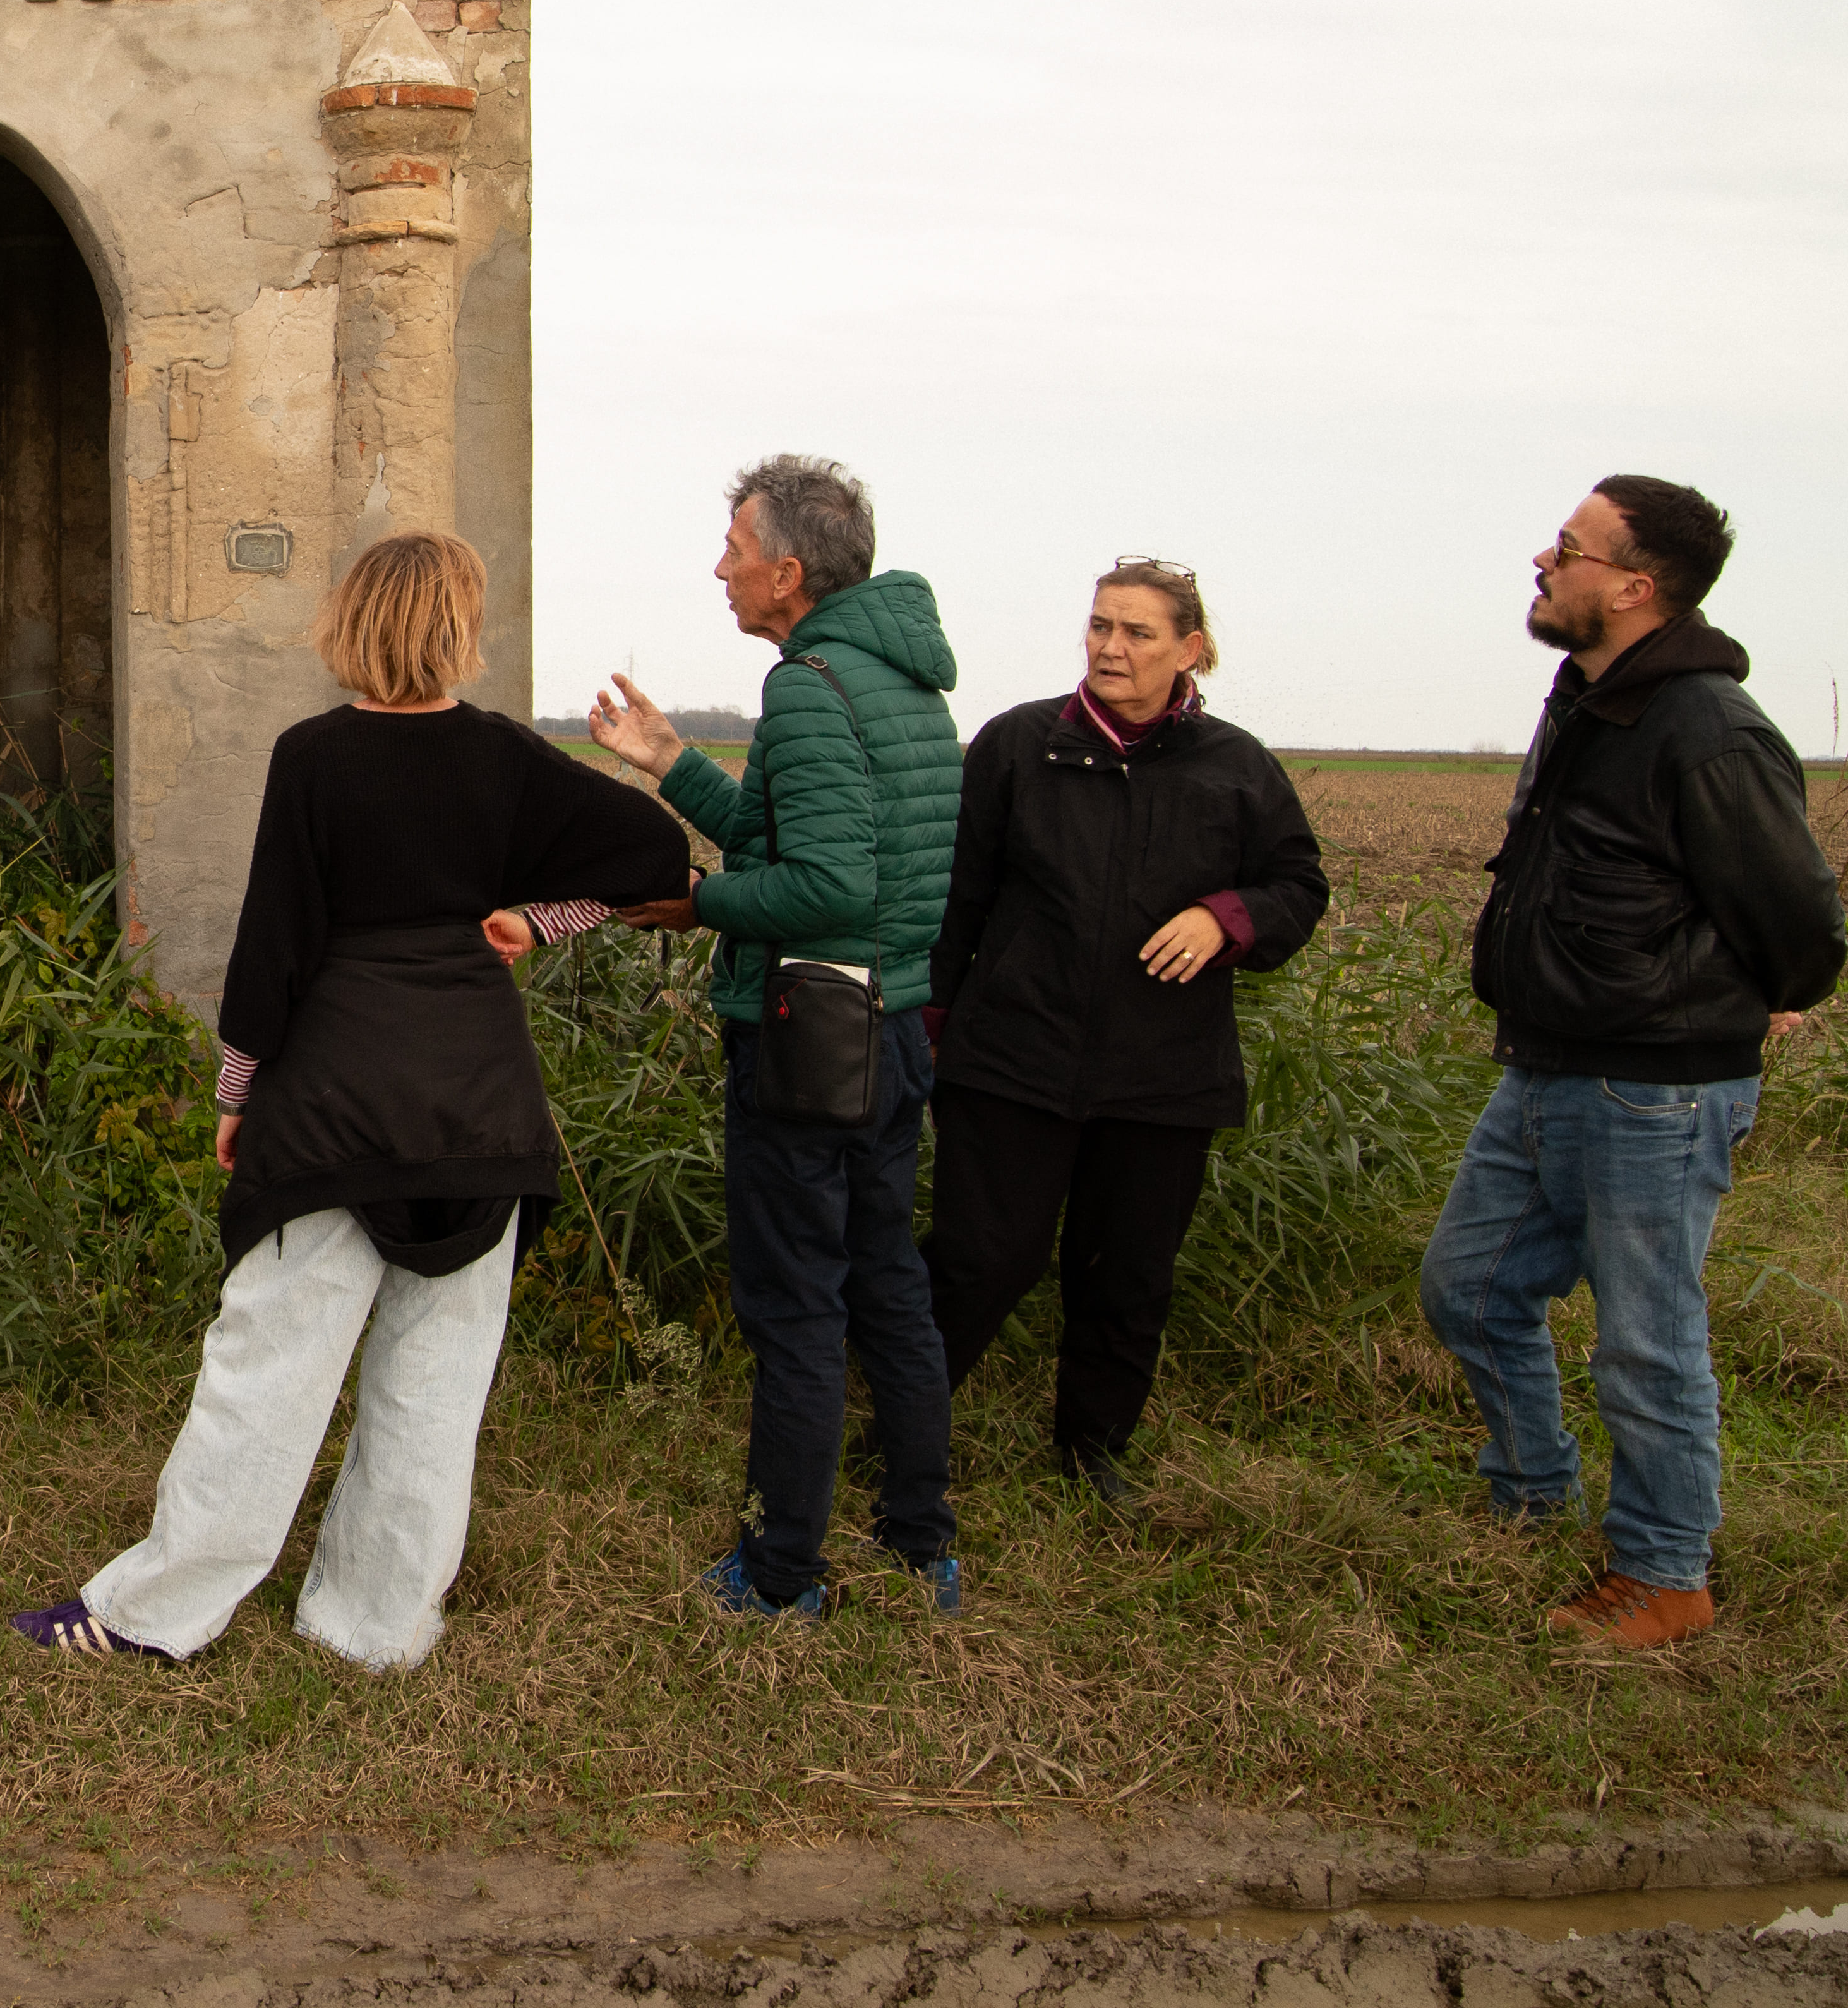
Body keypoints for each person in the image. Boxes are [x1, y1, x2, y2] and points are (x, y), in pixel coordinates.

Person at [11, 531, 690, 1673]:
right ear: (458, 629)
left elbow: (274, 942)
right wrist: (544, 920)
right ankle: (376, 1631)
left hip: (333, 1101)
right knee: (437, 1386)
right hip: (479, 1110)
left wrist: (239, 1090)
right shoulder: (506, 760)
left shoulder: (315, 756)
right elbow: (657, 856)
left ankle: (150, 1615)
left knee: (267, 1370)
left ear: (353, 622)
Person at [1419, 478, 1842, 1649]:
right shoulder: (1591, 699)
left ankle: (1666, 1576)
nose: (1544, 563)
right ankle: (1533, 1493)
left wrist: (1744, 1003)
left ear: (1636, 586)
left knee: (1647, 1339)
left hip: (1656, 1088)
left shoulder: (1706, 728)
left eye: (1570, 549)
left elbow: (1802, 924)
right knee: (1471, 1287)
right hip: (1549, 1064)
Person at [589, 454, 964, 1619]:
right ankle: (920, 1542)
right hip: (894, 1031)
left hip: (811, 1044)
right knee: (889, 1283)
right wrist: (670, 767)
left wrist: (693, 904)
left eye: (737, 550)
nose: (722, 568)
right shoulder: (894, 679)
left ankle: (782, 1571)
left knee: (797, 1303)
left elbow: (819, 889)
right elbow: (783, 829)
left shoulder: (808, 689)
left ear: (789, 573)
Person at [921, 559, 1329, 1503]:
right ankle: (905, 1426)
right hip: (1013, 1060)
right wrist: (932, 1027)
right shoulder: (1020, 745)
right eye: (1100, 626)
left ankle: (1093, 1450)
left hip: (1164, 1075)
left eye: (1137, 632)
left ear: (1191, 651)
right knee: (981, 1261)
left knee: (1127, 1273)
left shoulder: (1235, 767)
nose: (1110, 646)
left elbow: (1299, 887)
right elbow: (958, 900)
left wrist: (1227, 917)